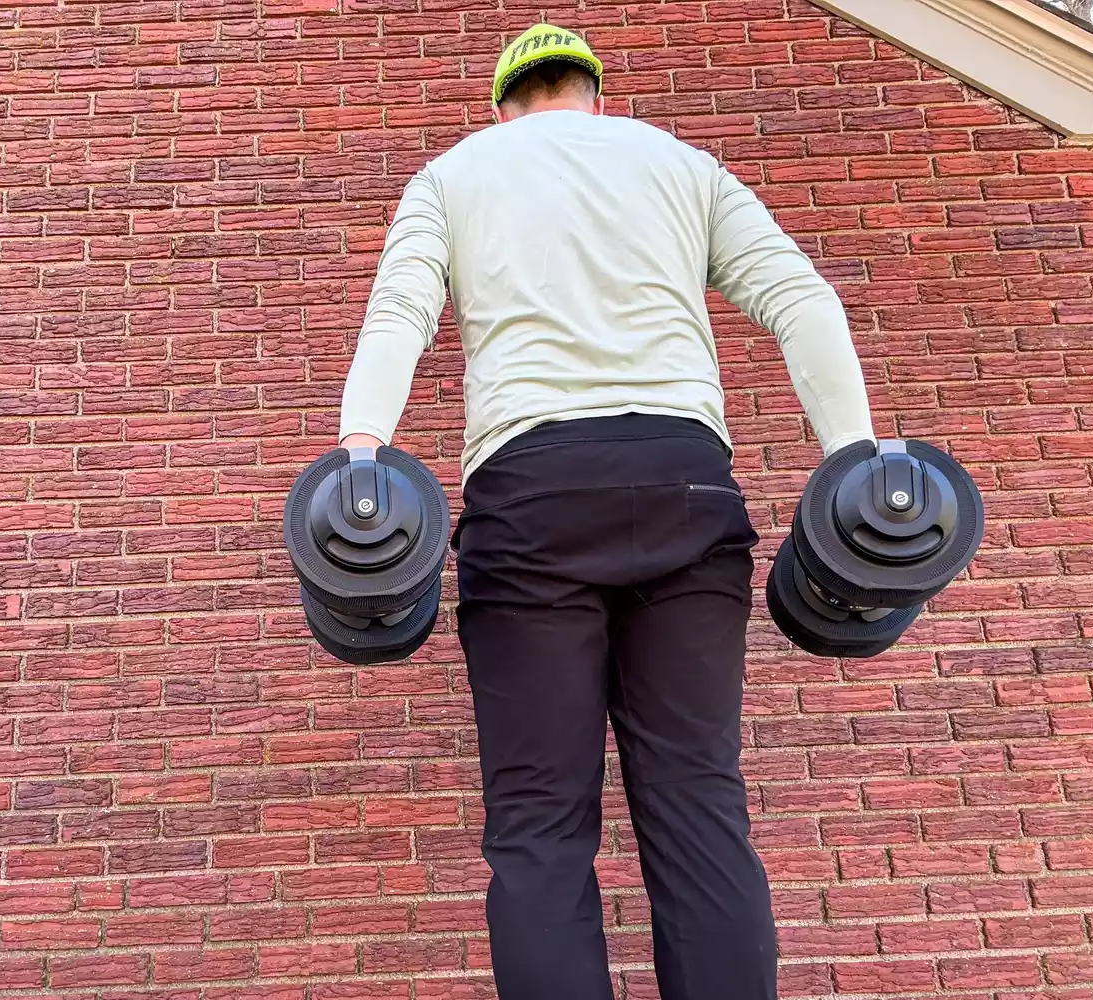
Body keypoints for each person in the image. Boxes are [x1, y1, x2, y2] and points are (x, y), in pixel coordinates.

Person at [335, 21, 877, 1000]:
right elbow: (805, 302)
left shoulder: (455, 174)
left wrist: (361, 455)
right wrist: (857, 465)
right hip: (686, 483)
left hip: (531, 493)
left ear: (504, 105)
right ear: (596, 95)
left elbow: (398, 313)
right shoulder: (679, 163)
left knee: (540, 830)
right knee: (701, 804)